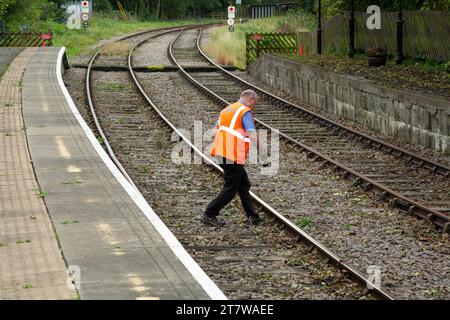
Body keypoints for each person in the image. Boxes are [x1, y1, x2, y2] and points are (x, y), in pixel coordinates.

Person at [200, 89, 268, 228]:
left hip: (222, 151)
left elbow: (215, 131)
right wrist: (264, 156)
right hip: (232, 154)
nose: (254, 106)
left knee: (244, 185)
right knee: (230, 188)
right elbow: (252, 134)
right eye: (255, 102)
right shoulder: (244, 111)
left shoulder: (226, 110)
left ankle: (253, 216)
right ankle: (209, 214)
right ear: (250, 99)